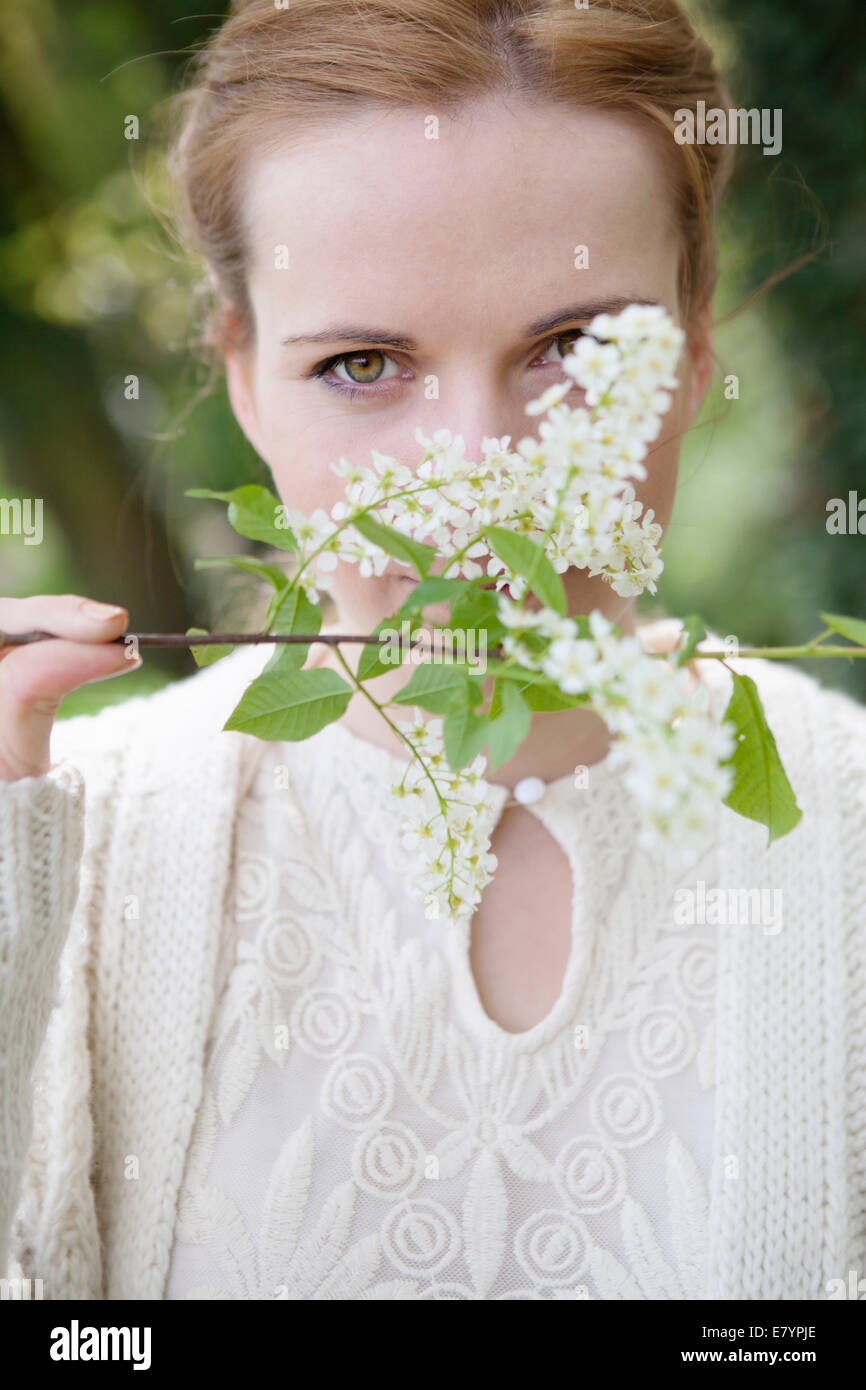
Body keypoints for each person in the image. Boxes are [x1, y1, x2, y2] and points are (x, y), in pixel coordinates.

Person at [1, 0, 864, 1301]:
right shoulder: (65, 832)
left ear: (689, 357)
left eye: (570, 348)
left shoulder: (841, 832)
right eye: (362, 365)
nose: (477, 488)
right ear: (240, 378)